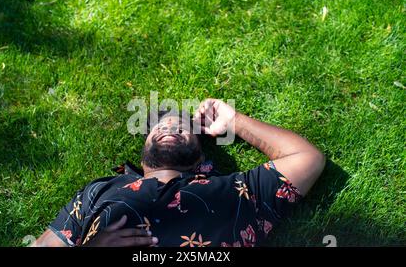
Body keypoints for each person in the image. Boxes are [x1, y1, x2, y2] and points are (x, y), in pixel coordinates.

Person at [31, 98, 325, 247]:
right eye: (160, 127)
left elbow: (307, 158)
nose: (170, 127)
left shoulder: (238, 192)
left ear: (201, 155)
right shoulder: (98, 191)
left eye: (181, 128)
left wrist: (234, 120)